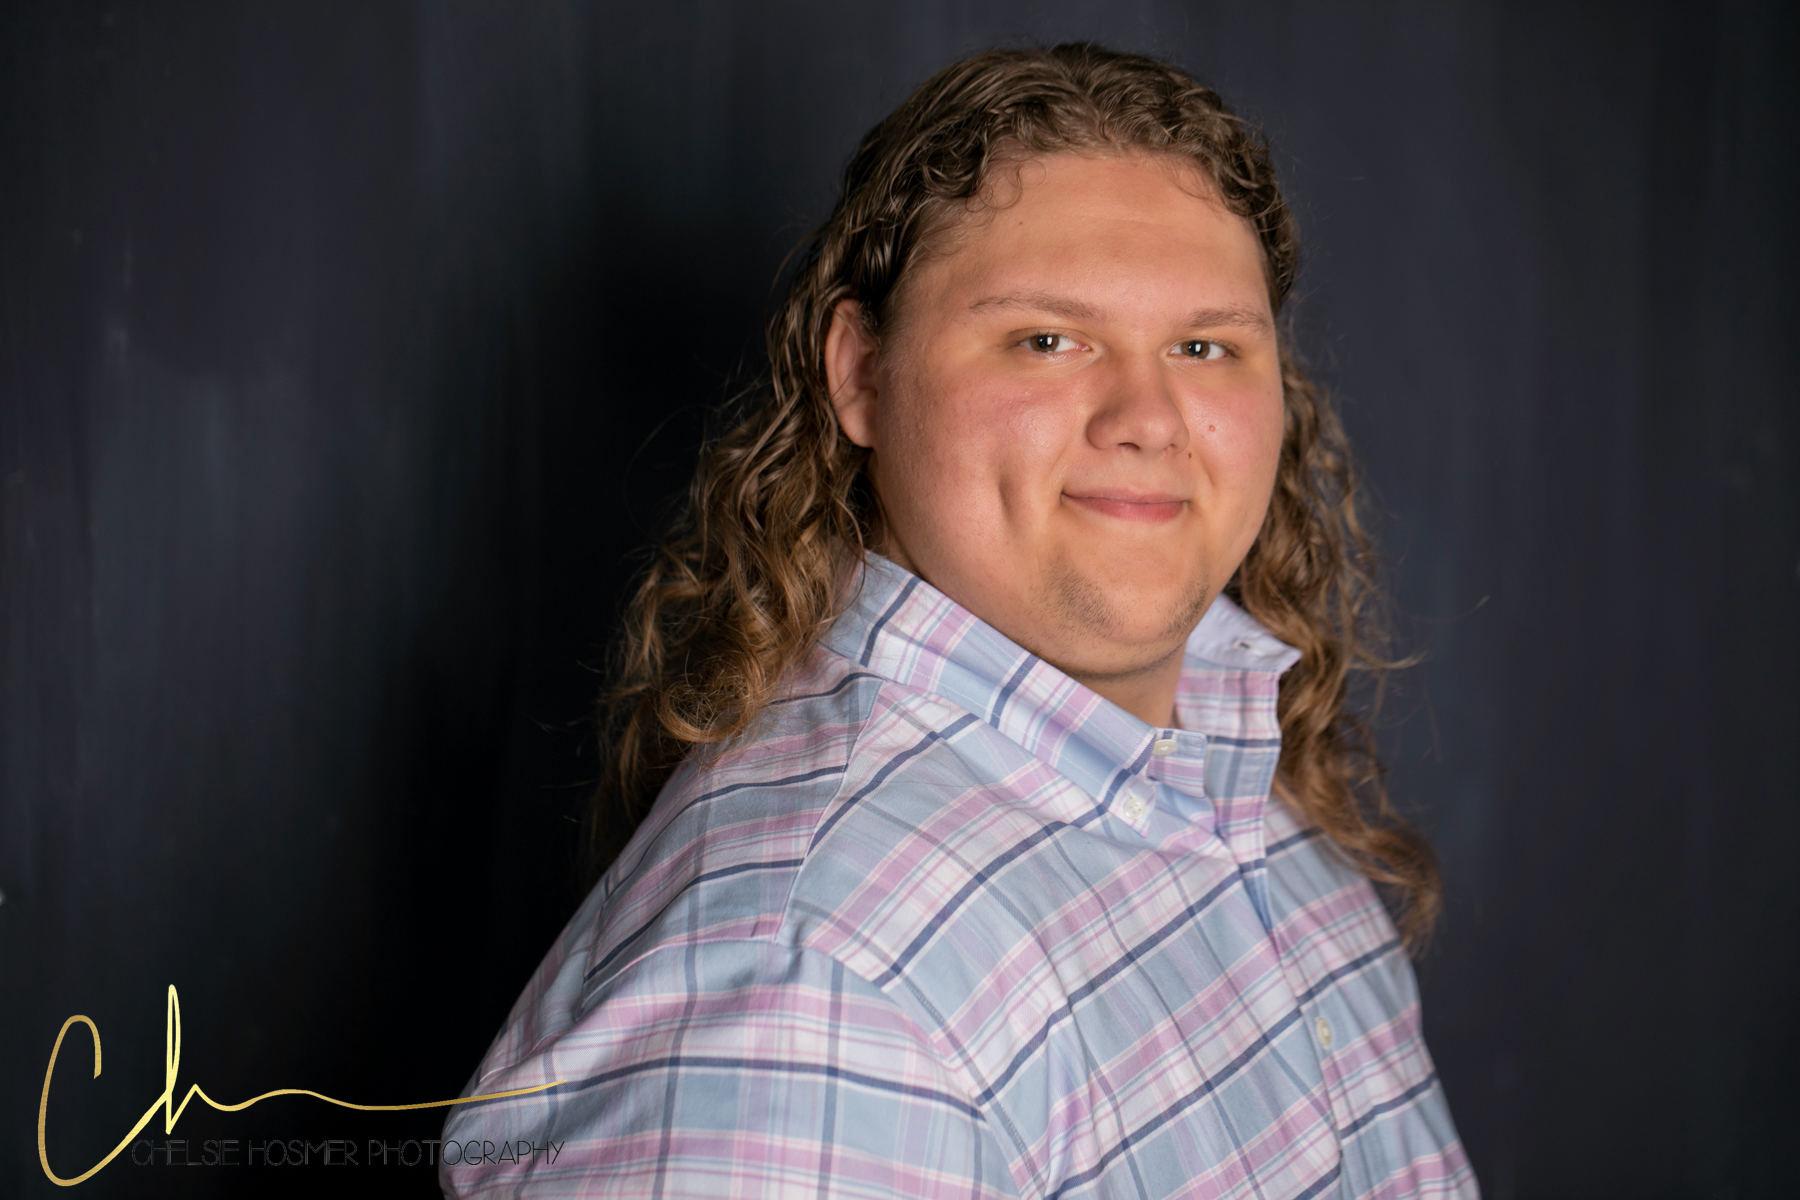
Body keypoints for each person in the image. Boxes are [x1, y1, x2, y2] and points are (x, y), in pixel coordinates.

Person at [442, 43, 1475, 1199]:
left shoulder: (1234, 780)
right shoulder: (811, 992)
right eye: (1047, 339)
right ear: (858, 375)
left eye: (1204, 347)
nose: (1148, 416)